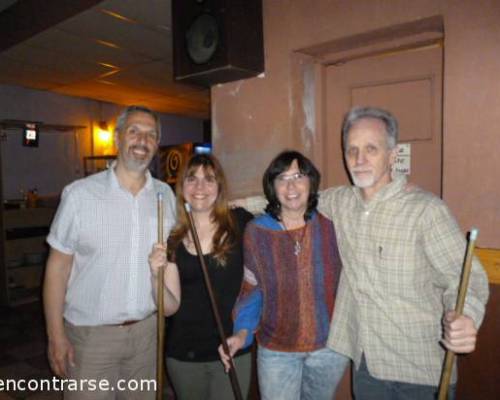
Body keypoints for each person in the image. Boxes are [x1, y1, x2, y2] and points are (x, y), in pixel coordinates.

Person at [319, 107, 489, 399]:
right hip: (368, 366)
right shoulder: (341, 202)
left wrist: (465, 317)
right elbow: (292, 196)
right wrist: (228, 204)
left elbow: (465, 278)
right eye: (352, 150)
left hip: (421, 371)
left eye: (371, 149)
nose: (359, 160)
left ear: (392, 154)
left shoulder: (426, 210)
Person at [43, 105, 181, 400]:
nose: (142, 140)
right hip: (91, 339)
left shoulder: (165, 196)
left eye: (151, 135)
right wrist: (56, 336)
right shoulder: (79, 195)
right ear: (118, 138)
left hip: (147, 336)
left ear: (156, 145)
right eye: (134, 131)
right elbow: (57, 268)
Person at [219, 151, 348, 400]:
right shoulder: (257, 232)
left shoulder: (332, 225)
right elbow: (253, 288)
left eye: (298, 176)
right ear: (272, 186)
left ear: (311, 182)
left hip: (330, 349)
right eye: (282, 178)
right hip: (277, 350)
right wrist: (242, 332)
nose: (291, 185)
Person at [149, 154, 253, 400]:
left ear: (220, 187)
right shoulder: (173, 238)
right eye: (192, 179)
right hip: (183, 354)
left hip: (232, 348)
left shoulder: (241, 223)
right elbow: (169, 307)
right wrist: (155, 276)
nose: (200, 187)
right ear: (182, 187)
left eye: (209, 179)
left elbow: (276, 202)